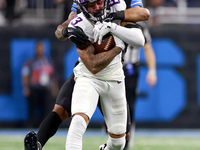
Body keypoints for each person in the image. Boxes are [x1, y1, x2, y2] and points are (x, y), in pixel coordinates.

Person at [24, 0, 149, 150]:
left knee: (120, 140)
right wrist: (118, 47)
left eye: (99, 2)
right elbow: (93, 65)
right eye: (91, 5)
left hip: (115, 78)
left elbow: (142, 22)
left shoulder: (118, 5)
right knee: (72, 117)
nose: (97, 7)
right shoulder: (80, 22)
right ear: (83, 7)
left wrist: (111, 23)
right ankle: (37, 144)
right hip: (89, 76)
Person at [122, 21, 157, 149]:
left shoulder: (140, 25)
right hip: (111, 68)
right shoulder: (111, 18)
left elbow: (147, 47)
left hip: (130, 69)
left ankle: (127, 137)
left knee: (129, 105)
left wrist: (152, 71)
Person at [21, 40, 59, 128]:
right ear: (35, 49)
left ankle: (44, 127)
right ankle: (30, 127)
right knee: (32, 110)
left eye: (42, 48)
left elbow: (53, 76)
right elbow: (25, 74)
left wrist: (55, 89)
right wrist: (26, 87)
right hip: (34, 89)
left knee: (45, 110)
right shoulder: (31, 62)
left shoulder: (48, 62)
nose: (40, 50)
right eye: (38, 48)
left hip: (45, 89)